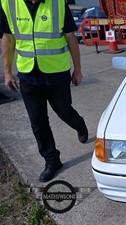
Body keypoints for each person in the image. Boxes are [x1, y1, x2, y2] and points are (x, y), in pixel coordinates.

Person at [0, 0, 88, 182]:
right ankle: (52, 161)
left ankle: (79, 125)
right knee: (38, 122)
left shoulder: (57, 3)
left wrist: (77, 70)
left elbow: (70, 37)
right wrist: (7, 72)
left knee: (64, 111)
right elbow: (8, 38)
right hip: (28, 74)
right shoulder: (9, 4)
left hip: (56, 72)